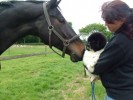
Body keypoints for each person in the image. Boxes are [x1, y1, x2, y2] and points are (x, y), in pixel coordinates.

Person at [84, 0, 133, 100]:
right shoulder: (128, 34)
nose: (106, 24)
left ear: (121, 19)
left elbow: (96, 68)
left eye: (108, 20)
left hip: (120, 95)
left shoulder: (121, 41)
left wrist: (86, 57)